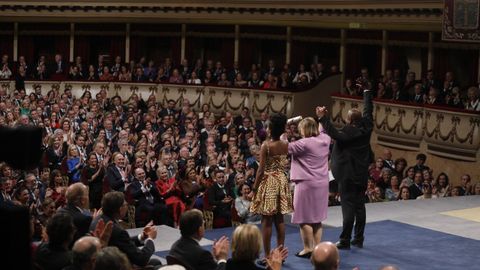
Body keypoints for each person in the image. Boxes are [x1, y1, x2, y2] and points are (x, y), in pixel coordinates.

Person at [317, 83, 374, 250]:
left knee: (348, 208)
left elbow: (334, 133)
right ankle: (358, 238)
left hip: (347, 177)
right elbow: (368, 111)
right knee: (359, 207)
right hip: (361, 175)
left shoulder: (348, 133)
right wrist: (366, 92)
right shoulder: (367, 127)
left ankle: (345, 240)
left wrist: (322, 118)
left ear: (349, 120)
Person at [250, 113, 293, 262]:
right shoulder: (285, 144)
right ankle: (280, 254)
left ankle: (268, 255)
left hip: (269, 182)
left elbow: (261, 170)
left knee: (267, 220)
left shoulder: (266, 145)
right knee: (280, 219)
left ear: (270, 128)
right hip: (282, 180)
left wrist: (255, 188)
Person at [287, 117, 331, 258]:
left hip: (306, 184)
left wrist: (286, 127)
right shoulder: (325, 139)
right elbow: (322, 129)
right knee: (316, 219)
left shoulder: (303, 143)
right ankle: (317, 248)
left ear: (304, 129)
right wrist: (321, 117)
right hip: (322, 184)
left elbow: (282, 146)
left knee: (304, 218)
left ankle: (308, 248)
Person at [89, 191, 161, 269]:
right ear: (120, 209)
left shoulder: (99, 219)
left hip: (105, 263)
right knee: (157, 264)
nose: (127, 206)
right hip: (118, 266)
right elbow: (141, 259)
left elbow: (122, 242)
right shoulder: (116, 230)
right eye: (126, 204)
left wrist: (142, 237)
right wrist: (150, 239)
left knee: (155, 262)